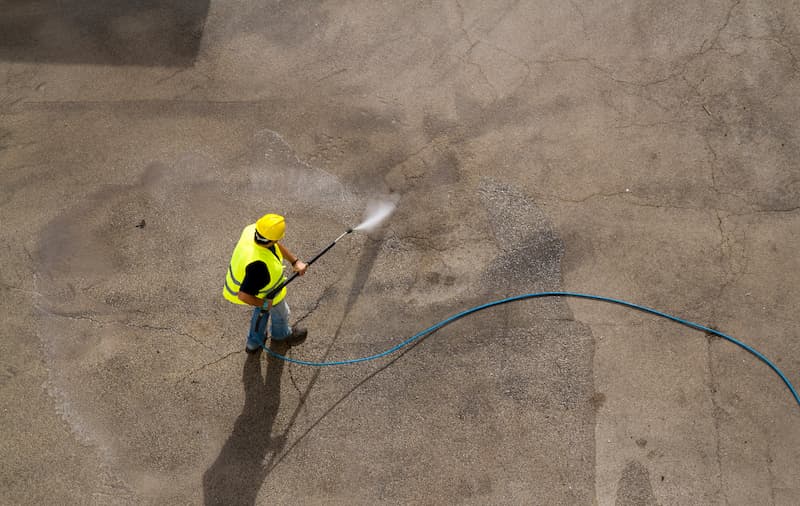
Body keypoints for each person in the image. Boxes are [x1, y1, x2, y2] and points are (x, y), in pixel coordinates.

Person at [223, 213, 308, 353]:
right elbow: (244, 296)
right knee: (280, 312)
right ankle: (282, 334)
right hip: (262, 294)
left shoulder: (252, 231)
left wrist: (295, 261)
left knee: (261, 312)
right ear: (275, 239)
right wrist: (263, 303)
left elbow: (274, 245)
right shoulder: (259, 267)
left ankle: (253, 343)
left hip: (254, 289)